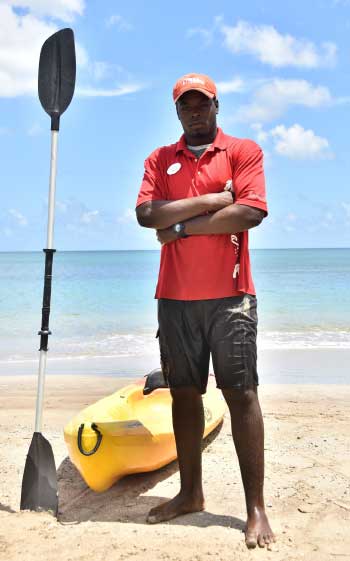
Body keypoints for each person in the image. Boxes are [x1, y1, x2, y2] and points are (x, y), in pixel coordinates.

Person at [135, 73, 275, 549]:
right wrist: (213, 201)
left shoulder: (242, 151)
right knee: (183, 394)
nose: (195, 111)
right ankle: (190, 493)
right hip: (174, 299)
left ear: (217, 105)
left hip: (232, 298)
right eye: (185, 105)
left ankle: (255, 509)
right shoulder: (160, 158)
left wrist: (182, 227)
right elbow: (148, 215)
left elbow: (251, 212)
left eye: (202, 103)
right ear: (177, 112)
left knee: (241, 396)